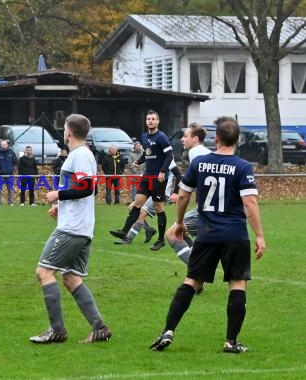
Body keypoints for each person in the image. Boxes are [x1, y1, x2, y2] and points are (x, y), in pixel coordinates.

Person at [149, 116, 265, 353]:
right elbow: (250, 203)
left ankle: (167, 332)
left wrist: (179, 222)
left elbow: (182, 195)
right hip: (234, 235)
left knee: (192, 280)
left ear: (216, 138)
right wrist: (260, 235)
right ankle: (230, 342)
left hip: (207, 233)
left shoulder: (200, 163)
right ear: (238, 139)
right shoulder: (243, 167)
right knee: (237, 283)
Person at [30, 114, 111, 344]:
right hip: (79, 226)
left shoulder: (81, 155)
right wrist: (61, 205)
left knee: (44, 272)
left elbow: (86, 188)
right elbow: (83, 190)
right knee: (71, 277)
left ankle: (57, 330)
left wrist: (58, 194)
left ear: (69, 132)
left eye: (64, 128)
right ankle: (100, 328)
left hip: (72, 229)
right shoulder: (80, 155)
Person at [109, 110, 173, 251]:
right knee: (137, 203)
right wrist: (139, 161)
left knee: (159, 208)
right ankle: (124, 232)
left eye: (153, 119)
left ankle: (161, 240)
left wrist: (162, 171)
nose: (150, 121)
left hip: (158, 178)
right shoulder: (144, 137)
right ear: (146, 121)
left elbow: (169, 156)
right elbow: (147, 153)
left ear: (158, 121)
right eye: (148, 119)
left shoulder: (162, 137)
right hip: (147, 176)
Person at [165, 123, 212, 266]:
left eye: (185, 136)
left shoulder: (195, 151)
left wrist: (179, 193)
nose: (182, 139)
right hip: (214, 206)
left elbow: (190, 184)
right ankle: (199, 267)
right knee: (182, 233)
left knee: (172, 234)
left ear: (195, 139)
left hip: (208, 207)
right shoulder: (204, 151)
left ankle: (197, 271)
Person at [0, 140, 17, 206]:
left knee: (10, 189)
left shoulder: (11, 152)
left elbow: (15, 162)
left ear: (7, 145)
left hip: (10, 174)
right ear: (0, 145)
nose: (3, 146)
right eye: (2, 145)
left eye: (5, 145)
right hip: (0, 174)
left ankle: (11, 202)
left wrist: (12, 169)